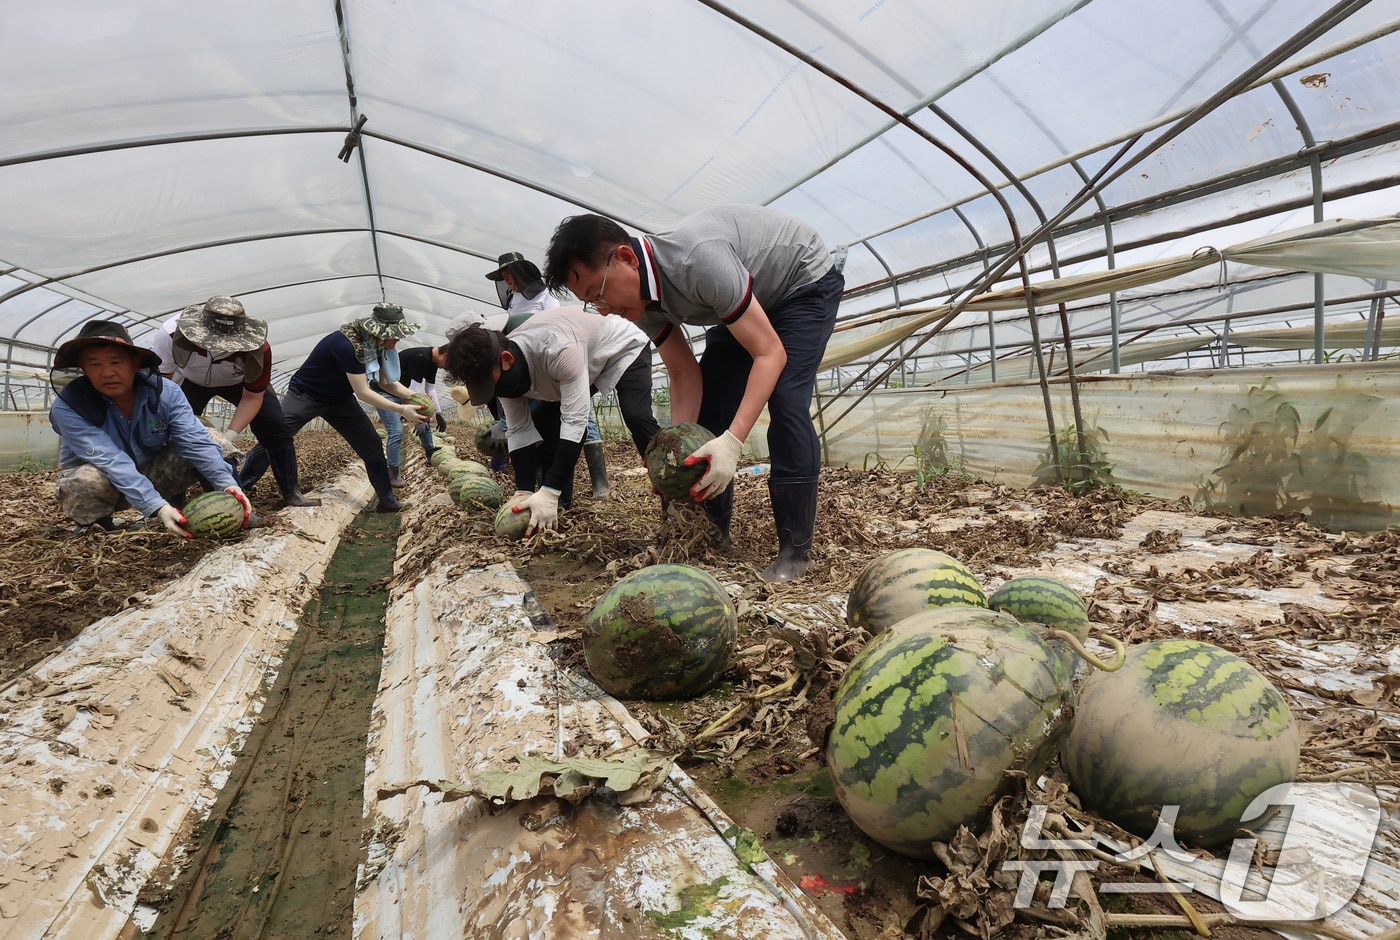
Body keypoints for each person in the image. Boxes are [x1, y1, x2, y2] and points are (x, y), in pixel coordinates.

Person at [543, 205, 844, 582]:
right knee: (709, 416)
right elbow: (684, 373)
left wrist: (733, 442)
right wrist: (673, 455)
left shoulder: (696, 259)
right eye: (593, 304)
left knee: (785, 400)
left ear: (625, 258)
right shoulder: (639, 304)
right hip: (743, 299)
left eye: (598, 294)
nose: (604, 311)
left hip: (800, 285)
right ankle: (711, 535)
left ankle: (795, 555)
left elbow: (769, 353)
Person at [444, 307, 658, 536]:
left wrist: (550, 489)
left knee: (636, 415)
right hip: (579, 360)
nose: (494, 391)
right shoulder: (504, 371)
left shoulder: (558, 350)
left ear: (507, 360)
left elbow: (576, 425)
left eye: (489, 382)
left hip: (621, 346)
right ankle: (558, 505)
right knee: (545, 430)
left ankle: (671, 491)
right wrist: (522, 491)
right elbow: (518, 430)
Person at [47, 319, 252, 537]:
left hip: (153, 472)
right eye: (95, 364)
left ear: (135, 362)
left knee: (211, 438)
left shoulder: (167, 393)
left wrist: (227, 483)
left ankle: (229, 507)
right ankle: (100, 527)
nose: (107, 373)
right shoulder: (69, 406)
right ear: (83, 367)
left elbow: (194, 441)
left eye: (116, 362)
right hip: (106, 483)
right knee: (86, 480)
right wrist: (157, 507)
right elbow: (110, 460)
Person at [238, 303, 429, 513]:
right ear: (382, 333)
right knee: (275, 437)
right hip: (307, 394)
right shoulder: (347, 344)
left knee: (372, 444)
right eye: (396, 335)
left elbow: (386, 383)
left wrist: (414, 396)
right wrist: (402, 410)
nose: (399, 339)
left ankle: (387, 499)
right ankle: (241, 484)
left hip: (339, 399)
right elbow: (364, 392)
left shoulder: (376, 345)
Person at [151, 296, 320, 509]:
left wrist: (229, 435)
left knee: (276, 428)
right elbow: (161, 384)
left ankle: (291, 492)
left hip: (238, 382)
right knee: (171, 432)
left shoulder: (259, 348)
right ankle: (172, 501)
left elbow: (252, 397)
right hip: (189, 380)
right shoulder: (171, 334)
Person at [485, 252, 611, 494]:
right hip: (524, 363)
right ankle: (542, 481)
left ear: (522, 272)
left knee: (581, 415)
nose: (506, 279)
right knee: (537, 419)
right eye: (503, 276)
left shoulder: (546, 296)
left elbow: (555, 324)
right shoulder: (512, 301)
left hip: (553, 357)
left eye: (509, 274)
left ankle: (599, 480)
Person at [369, 341, 448, 487]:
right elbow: (414, 388)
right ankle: (393, 473)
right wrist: (419, 418)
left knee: (425, 415)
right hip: (384, 392)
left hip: (401, 392)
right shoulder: (421, 357)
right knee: (396, 431)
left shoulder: (433, 363)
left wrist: (438, 413)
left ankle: (430, 452)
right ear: (445, 355)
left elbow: (430, 389)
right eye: (449, 363)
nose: (446, 368)